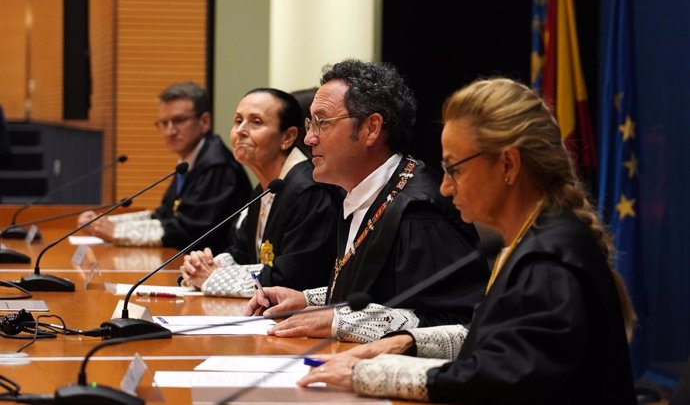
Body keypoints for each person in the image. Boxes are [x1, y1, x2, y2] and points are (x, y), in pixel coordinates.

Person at [298, 77, 637, 404]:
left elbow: (502, 379)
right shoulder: (530, 240)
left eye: (454, 169)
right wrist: (408, 341)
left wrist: (369, 376)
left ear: (507, 164)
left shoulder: (548, 260)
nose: (444, 187)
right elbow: (494, 341)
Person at [244, 59, 488, 343]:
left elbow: (461, 325)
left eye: (322, 122)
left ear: (371, 129)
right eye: (310, 123)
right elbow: (385, 291)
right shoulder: (365, 192)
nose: (309, 138)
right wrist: (307, 300)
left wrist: (339, 321)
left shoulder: (419, 213)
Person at [179, 88, 342, 296]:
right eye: (238, 121)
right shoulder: (266, 187)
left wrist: (214, 277)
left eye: (256, 122)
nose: (241, 131)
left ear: (288, 137)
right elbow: (241, 253)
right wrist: (205, 265)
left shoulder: (310, 192)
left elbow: (293, 279)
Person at [78, 81, 252, 252]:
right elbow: (163, 216)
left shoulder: (217, 167)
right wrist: (107, 222)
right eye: (164, 123)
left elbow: (186, 233)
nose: (170, 131)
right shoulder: (190, 160)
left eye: (179, 121)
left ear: (204, 121)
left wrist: (116, 232)